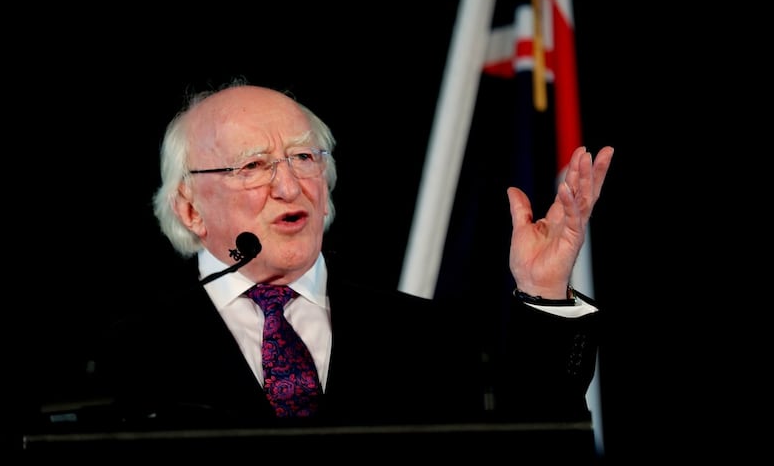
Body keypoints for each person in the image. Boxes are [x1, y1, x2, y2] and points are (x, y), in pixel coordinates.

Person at [85, 79, 614, 433]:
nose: (290, 187)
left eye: (302, 158)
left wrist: (543, 290)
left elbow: (540, 450)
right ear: (190, 207)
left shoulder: (424, 335)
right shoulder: (119, 353)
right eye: (253, 166)